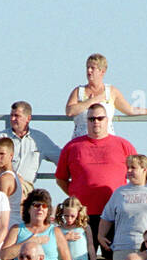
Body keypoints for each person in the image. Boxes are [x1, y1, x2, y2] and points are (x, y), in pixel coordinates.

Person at [56, 103, 137, 250]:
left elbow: (139, 175)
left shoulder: (123, 145)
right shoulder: (72, 147)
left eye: (100, 118)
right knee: (80, 259)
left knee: (115, 258)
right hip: (82, 216)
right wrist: (76, 197)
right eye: (91, 119)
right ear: (86, 121)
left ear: (107, 120)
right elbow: (61, 178)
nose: (96, 122)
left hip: (114, 213)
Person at [63, 53, 147, 138]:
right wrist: (92, 101)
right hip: (81, 142)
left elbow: (130, 110)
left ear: (102, 71)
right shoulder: (78, 91)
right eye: (87, 68)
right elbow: (69, 111)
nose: (89, 71)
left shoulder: (111, 91)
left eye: (93, 68)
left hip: (106, 140)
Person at [101, 154, 147, 260]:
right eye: (128, 167)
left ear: (144, 170)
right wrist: (101, 235)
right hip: (123, 247)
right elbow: (107, 216)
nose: (129, 171)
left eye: (133, 168)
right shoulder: (119, 192)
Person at [0, 101, 61, 190]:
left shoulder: (39, 139)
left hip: (26, 187)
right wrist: (12, 178)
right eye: (11, 115)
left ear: (28, 118)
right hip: (2, 185)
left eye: (17, 116)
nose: (12, 119)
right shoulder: (1, 137)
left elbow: (60, 157)